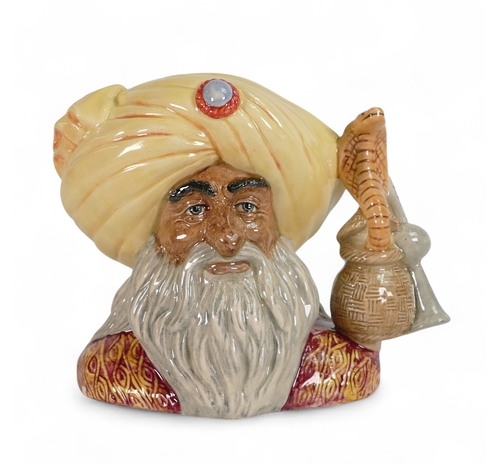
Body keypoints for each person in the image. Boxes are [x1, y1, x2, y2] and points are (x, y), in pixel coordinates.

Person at [53, 74, 383, 418]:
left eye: (247, 207)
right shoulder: (113, 366)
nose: (227, 237)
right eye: (195, 210)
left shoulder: (331, 364)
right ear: (155, 234)